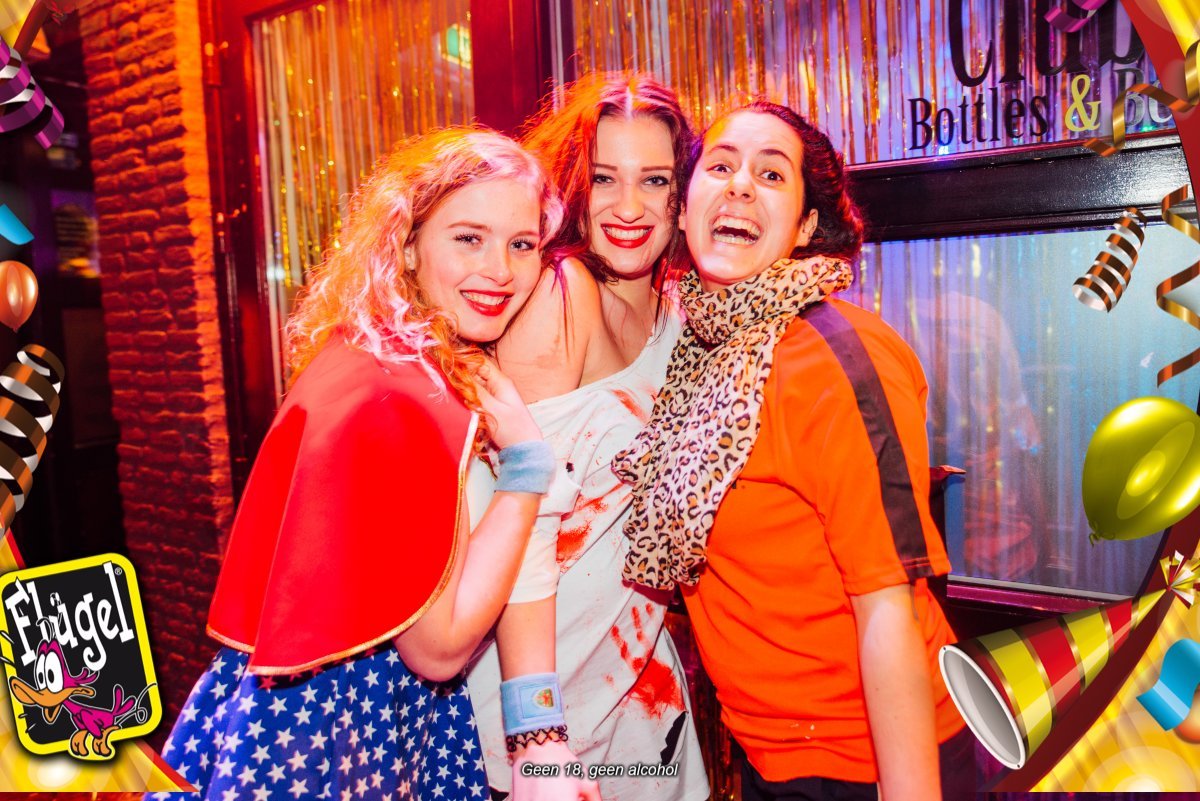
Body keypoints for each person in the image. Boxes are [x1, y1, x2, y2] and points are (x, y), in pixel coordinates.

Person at [158, 128, 579, 801]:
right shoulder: (397, 395)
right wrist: (527, 468)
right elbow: (438, 649)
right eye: (469, 238)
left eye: (521, 244)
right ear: (407, 244)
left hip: (330, 712)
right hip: (340, 731)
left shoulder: (377, 355)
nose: (500, 269)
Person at [614, 101, 971, 801]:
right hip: (768, 748)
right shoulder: (700, 353)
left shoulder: (839, 360)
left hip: (866, 759)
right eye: (720, 167)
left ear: (805, 227)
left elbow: (889, 604)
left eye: (771, 174)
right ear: (684, 210)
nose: (741, 186)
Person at [464, 73, 709, 801]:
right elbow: (521, 523)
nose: (629, 207)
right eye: (604, 178)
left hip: (637, 686)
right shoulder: (562, 295)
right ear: (573, 185)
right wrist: (536, 733)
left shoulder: (675, 314)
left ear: (681, 195)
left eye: (654, 179)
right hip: (543, 692)